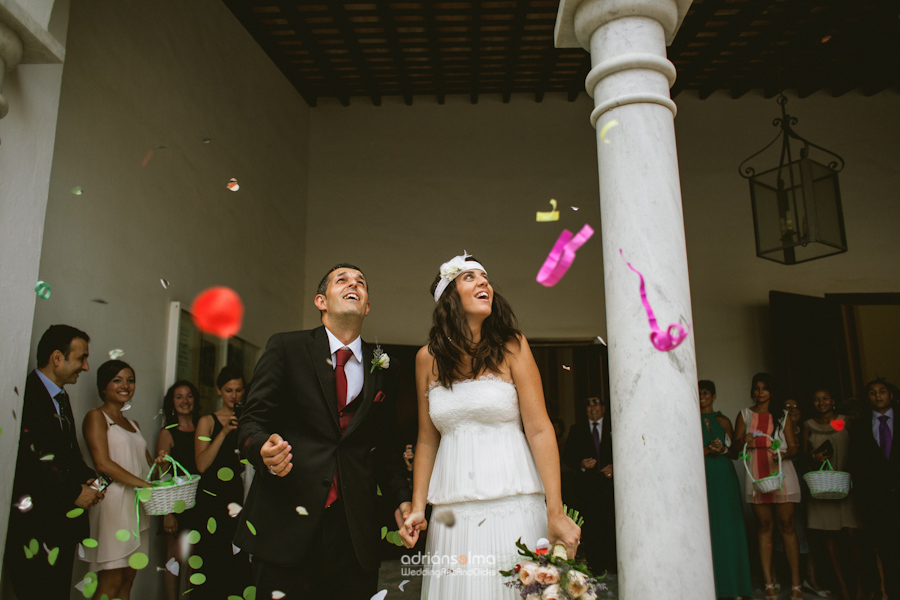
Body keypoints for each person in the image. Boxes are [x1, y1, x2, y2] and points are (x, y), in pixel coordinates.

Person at [399, 252, 581, 598]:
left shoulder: (513, 347)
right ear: (449, 297)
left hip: (514, 504)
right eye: (470, 277)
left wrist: (554, 510)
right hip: (452, 513)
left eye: (485, 278)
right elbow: (426, 441)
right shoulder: (426, 359)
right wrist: (418, 508)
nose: (484, 282)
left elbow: (540, 429)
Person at [235, 263, 412, 599]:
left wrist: (401, 500)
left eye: (361, 282)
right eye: (342, 280)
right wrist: (261, 447)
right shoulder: (287, 348)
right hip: (287, 524)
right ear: (321, 301)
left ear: (367, 306)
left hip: (354, 532)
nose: (354, 285)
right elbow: (250, 421)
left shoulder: (387, 366)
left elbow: (387, 447)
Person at [5, 325, 104, 600]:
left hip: (61, 525)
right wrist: (74, 493)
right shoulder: (28, 394)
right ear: (57, 357)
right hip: (34, 524)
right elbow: (31, 460)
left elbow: (66, 454)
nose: (85, 367)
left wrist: (88, 479)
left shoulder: (60, 396)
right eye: (81, 358)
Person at [81, 360, 164, 600]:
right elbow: (102, 464)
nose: (125, 385)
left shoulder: (134, 424)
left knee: (128, 579)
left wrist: (160, 464)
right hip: (113, 504)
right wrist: (143, 484)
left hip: (137, 507)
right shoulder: (96, 416)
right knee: (111, 582)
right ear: (103, 387)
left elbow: (147, 470)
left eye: (130, 380)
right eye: (117, 380)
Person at [733, 372, 803, 600]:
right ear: (752, 391)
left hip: (781, 470)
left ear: (772, 391)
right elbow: (734, 449)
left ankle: (795, 585)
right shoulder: (744, 414)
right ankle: (769, 583)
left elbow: (793, 447)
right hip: (755, 471)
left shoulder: (783, 416)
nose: (760, 392)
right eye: (756, 388)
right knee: (764, 525)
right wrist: (744, 441)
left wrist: (781, 454)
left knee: (787, 524)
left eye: (764, 388)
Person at [192, 366, 252, 600]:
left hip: (239, 495)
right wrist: (224, 432)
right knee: (211, 556)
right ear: (219, 391)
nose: (234, 396)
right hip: (212, 498)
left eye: (238, 390)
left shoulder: (248, 420)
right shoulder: (207, 421)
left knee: (237, 560)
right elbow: (201, 464)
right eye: (228, 390)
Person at [802, 387, 861, 600]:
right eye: (816, 400)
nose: (821, 403)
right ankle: (843, 587)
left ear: (833, 400)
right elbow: (802, 456)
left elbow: (856, 447)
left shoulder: (845, 421)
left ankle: (860, 586)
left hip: (846, 486)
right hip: (822, 488)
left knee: (853, 536)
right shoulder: (808, 425)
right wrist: (813, 457)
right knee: (829, 538)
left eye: (825, 398)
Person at [698, 380, 752, 600]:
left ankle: (735, 585)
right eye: (699, 393)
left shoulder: (724, 420)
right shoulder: (689, 418)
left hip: (724, 475)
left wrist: (723, 449)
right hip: (703, 476)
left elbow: (734, 454)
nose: (702, 397)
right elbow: (684, 450)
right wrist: (707, 449)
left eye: (706, 393)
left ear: (714, 396)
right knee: (708, 527)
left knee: (729, 527)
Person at [849, 378, 899, 600]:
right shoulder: (859, 426)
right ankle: (886, 591)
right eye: (872, 392)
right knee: (883, 547)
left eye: (882, 391)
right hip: (875, 498)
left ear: (891, 395)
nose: (878, 396)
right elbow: (856, 464)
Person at [155, 380, 201, 600]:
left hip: (199, 501)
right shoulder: (167, 432)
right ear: (172, 403)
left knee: (195, 559)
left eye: (189, 395)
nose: (185, 401)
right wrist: (168, 513)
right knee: (174, 558)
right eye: (179, 397)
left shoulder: (203, 427)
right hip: (176, 504)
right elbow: (161, 474)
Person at [561, 395, 617, 576]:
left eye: (596, 403)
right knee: (592, 531)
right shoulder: (577, 430)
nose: (592, 408)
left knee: (613, 529)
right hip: (588, 492)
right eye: (588, 404)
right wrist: (581, 464)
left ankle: (616, 569)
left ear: (603, 407)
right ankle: (596, 570)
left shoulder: (614, 426)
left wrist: (616, 467)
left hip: (612, 491)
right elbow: (567, 456)